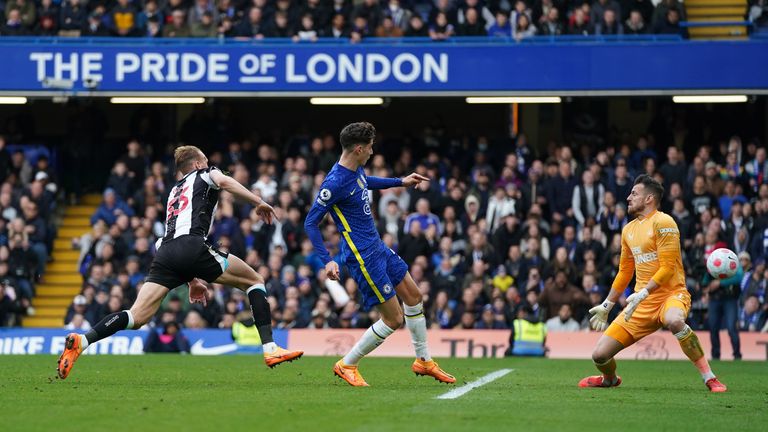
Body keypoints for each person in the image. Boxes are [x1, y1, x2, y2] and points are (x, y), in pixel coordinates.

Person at [57, 146, 303, 379]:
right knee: (255, 281)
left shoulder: (174, 192)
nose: (210, 164)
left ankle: (83, 340)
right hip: (191, 246)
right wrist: (257, 201)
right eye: (206, 161)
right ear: (197, 163)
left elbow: (171, 238)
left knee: (136, 316)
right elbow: (225, 182)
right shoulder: (206, 173)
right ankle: (270, 348)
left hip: (165, 251)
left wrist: (193, 280)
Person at [304, 122, 455, 387]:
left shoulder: (356, 170)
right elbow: (310, 222)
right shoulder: (334, 183)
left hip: (378, 247)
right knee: (394, 318)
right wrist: (326, 259)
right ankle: (347, 363)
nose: (373, 152)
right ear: (359, 149)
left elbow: (365, 182)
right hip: (362, 256)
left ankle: (423, 361)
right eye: (370, 148)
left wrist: (401, 181)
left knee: (414, 296)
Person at [582, 174, 727, 392]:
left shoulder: (664, 222)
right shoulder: (628, 230)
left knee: (674, 320)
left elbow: (668, 268)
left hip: (671, 295)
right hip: (641, 304)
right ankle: (610, 379)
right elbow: (624, 272)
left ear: (649, 198)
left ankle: (710, 377)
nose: (628, 198)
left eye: (634, 193)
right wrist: (607, 305)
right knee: (599, 355)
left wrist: (645, 291)